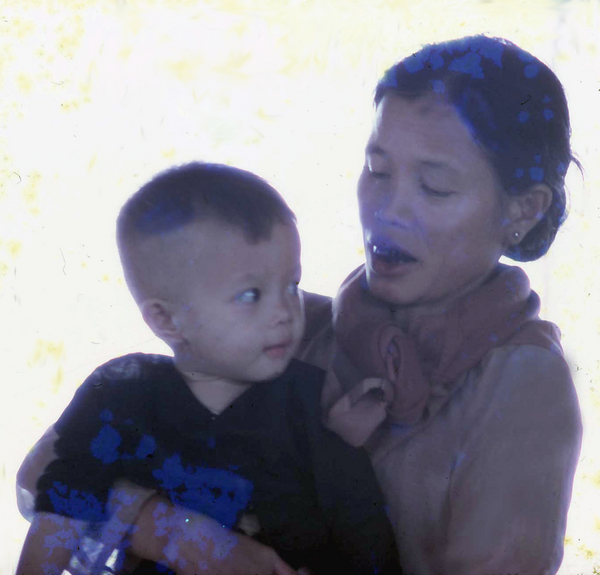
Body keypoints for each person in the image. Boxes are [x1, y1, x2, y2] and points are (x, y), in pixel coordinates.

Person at [17, 34, 582, 574]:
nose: (387, 209)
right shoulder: (291, 325)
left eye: (433, 187)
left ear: (523, 211)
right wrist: (174, 534)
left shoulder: (524, 384)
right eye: (376, 170)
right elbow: (41, 472)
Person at [16, 163, 400, 575]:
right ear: (167, 321)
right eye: (252, 294)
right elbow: (63, 505)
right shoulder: (120, 396)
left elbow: (367, 543)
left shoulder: (311, 406)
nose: (286, 311)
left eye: (292, 285)